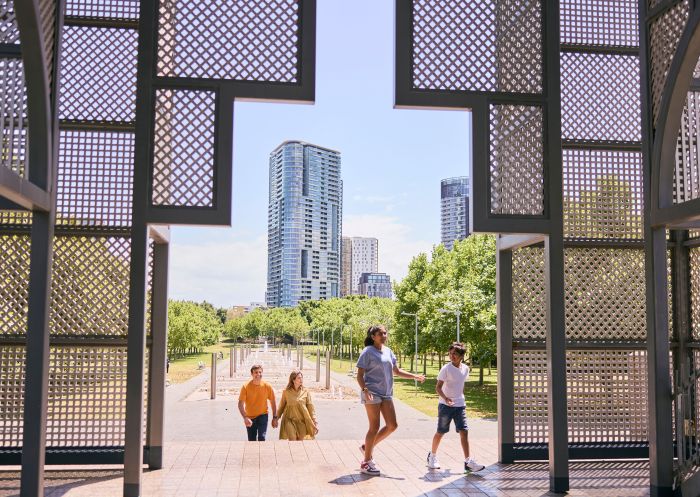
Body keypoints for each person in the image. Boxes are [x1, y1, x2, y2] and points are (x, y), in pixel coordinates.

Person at [356, 324, 425, 476]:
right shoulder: (367, 352)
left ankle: (366, 447)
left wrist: (415, 376)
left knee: (392, 425)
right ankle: (366, 462)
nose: (384, 336)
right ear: (373, 337)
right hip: (372, 392)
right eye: (381, 334)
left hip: (386, 393)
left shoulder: (389, 351)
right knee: (374, 427)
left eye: (385, 333)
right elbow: (359, 375)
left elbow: (397, 371)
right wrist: (365, 390)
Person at [426, 342, 485, 473]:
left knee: (464, 431)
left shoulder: (465, 369)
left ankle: (468, 461)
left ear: (462, 356)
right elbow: (438, 387)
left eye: (455, 354)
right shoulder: (446, 368)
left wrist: (460, 397)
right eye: (450, 353)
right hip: (445, 406)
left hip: (460, 405)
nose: (452, 356)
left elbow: (461, 384)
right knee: (441, 432)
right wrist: (446, 398)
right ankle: (432, 456)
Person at [237, 364, 278, 441]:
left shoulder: (267, 386)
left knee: (262, 438)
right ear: (252, 374)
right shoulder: (246, 386)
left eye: (260, 372)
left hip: (263, 415)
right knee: (251, 440)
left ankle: (261, 453)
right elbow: (240, 404)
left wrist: (275, 417)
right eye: (256, 372)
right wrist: (245, 417)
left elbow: (273, 401)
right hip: (250, 417)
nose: (258, 374)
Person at [277, 370, 318, 440]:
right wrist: (276, 418)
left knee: (300, 440)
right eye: (299, 378)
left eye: (302, 378)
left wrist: (314, 419)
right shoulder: (286, 392)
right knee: (292, 438)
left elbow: (310, 406)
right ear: (293, 380)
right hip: (289, 419)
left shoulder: (306, 391)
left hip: (302, 420)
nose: (301, 379)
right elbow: (281, 406)